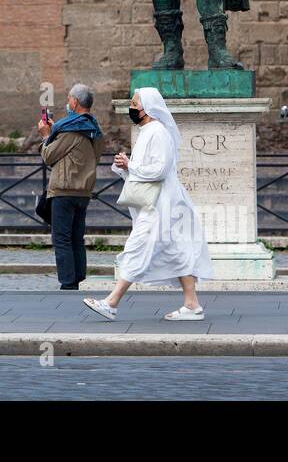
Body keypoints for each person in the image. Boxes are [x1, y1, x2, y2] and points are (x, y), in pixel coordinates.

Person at [84, 86, 212, 321]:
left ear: (148, 108)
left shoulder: (157, 132)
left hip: (161, 205)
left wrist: (130, 165)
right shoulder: (149, 131)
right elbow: (147, 170)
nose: (131, 108)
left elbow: (159, 170)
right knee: (178, 250)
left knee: (138, 247)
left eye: (135, 104)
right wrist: (127, 165)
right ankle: (192, 305)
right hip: (162, 202)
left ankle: (111, 302)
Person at [37, 84, 104, 290]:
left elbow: (48, 156)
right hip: (83, 191)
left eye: (68, 99)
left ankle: (68, 283)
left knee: (62, 238)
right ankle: (78, 279)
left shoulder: (70, 130)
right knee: (77, 238)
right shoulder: (94, 129)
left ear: (75, 102)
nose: (67, 103)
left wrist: (46, 135)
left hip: (64, 190)